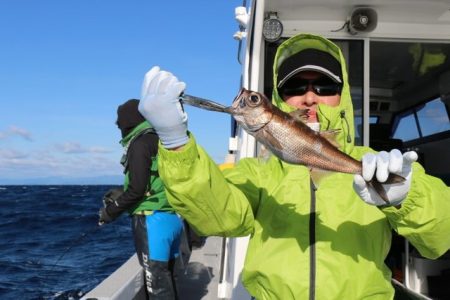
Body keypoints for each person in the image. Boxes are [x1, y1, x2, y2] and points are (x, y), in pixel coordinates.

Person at [137, 33, 450, 299]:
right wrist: (176, 143)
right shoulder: (257, 172)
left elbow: (441, 239)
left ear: (341, 96)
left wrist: (409, 198)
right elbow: (217, 218)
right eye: (295, 87)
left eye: (325, 87)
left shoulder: (374, 164)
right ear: (279, 100)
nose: (310, 97)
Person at [98, 99, 183, 299]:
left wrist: (109, 212)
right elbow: (153, 182)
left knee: (157, 288)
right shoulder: (161, 140)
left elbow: (137, 190)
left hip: (151, 221)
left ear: (126, 124)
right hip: (171, 219)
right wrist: (123, 191)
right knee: (168, 279)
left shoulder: (139, 144)